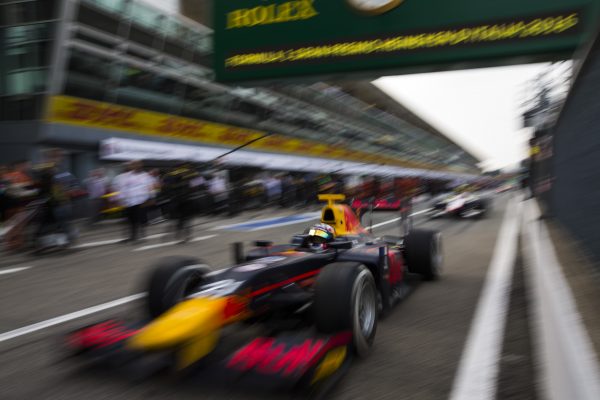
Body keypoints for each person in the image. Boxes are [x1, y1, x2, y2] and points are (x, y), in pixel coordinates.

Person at [114, 160, 153, 242]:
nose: (135, 166)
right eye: (133, 165)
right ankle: (132, 237)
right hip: (129, 202)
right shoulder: (126, 176)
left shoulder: (145, 176)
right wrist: (120, 199)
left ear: (140, 166)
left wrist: (150, 198)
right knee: (131, 220)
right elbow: (122, 188)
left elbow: (150, 187)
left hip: (141, 201)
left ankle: (142, 237)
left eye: (137, 165)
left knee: (140, 219)